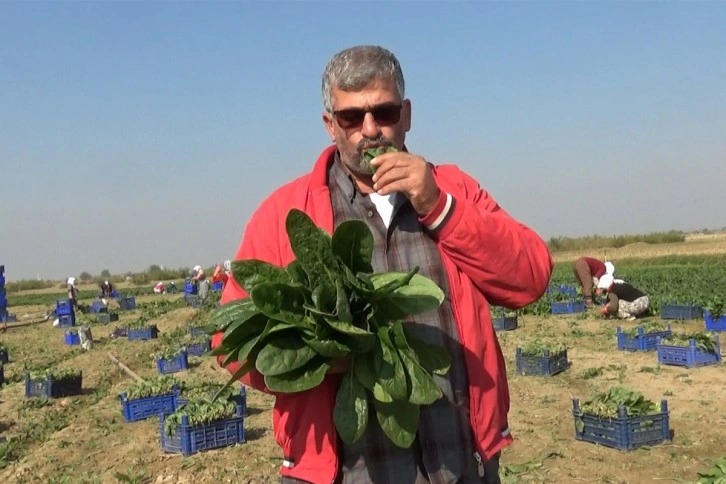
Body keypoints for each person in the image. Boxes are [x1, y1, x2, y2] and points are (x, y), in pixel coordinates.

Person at [211, 45, 553, 484]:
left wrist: (438, 205)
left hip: (460, 462)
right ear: (330, 125)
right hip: (340, 473)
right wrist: (315, 359)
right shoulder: (283, 213)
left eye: (385, 112)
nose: (370, 130)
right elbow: (230, 339)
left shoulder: (454, 189)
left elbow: (530, 277)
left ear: (406, 114)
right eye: (352, 117)